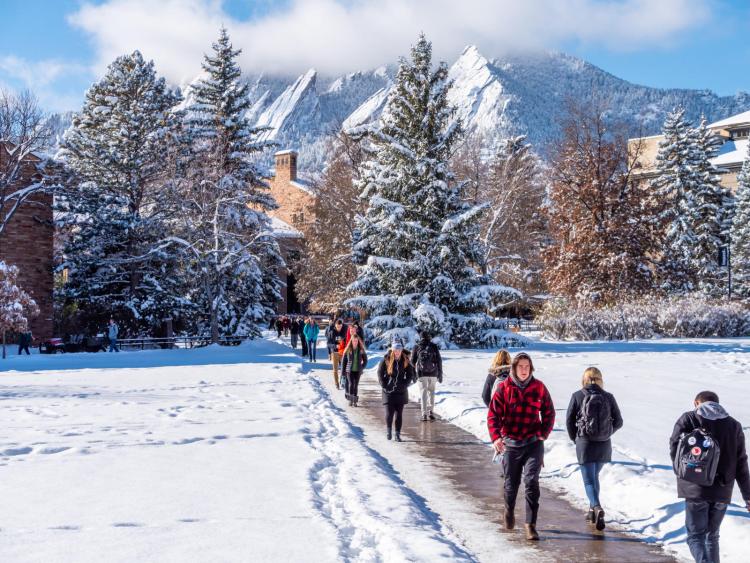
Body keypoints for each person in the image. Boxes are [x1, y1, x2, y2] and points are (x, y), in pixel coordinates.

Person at [669, 391, 750, 563]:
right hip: (723, 489)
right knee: (712, 536)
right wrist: (748, 496)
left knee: (695, 537)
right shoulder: (734, 425)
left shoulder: (689, 419)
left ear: (696, 402)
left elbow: (674, 445)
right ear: (717, 404)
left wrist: (681, 473)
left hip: (695, 487)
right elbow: (742, 463)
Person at [487, 352, 555, 541]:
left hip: (533, 442)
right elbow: (493, 416)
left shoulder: (539, 387)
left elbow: (549, 412)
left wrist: (543, 433)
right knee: (511, 484)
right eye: (521, 367)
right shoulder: (504, 388)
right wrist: (496, 438)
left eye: (527, 367)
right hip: (511, 444)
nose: (524, 370)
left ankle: (530, 525)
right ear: (514, 368)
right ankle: (508, 510)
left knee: (532, 482)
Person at [565, 367, 623, 531]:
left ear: (584, 379)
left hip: (585, 443)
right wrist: (607, 433)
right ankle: (592, 511)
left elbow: (569, 421)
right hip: (604, 444)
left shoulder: (577, 395)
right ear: (600, 379)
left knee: (589, 480)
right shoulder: (608, 397)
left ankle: (597, 507)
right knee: (594, 476)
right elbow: (619, 422)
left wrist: (575, 438)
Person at [377, 337, 415, 442]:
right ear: (393, 350)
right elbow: (380, 373)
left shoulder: (405, 360)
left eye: (399, 349)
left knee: (399, 414)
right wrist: (384, 385)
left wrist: (405, 384)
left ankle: (397, 434)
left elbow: (410, 374)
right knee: (389, 413)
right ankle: (389, 430)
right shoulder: (386, 359)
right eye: (395, 349)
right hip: (388, 391)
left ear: (401, 349)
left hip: (400, 391)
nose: (397, 352)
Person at [411, 331, 443, 422]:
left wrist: (413, 374)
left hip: (421, 374)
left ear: (420, 338)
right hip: (433, 373)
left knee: (423, 392)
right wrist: (440, 374)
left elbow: (412, 362)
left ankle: (424, 414)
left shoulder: (417, 347)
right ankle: (431, 412)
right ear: (429, 337)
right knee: (431, 392)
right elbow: (439, 360)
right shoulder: (434, 346)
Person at [341, 332, 367, 406]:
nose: (355, 342)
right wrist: (343, 372)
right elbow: (344, 361)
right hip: (349, 370)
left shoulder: (361, 350)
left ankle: (355, 401)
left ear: (358, 341)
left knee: (356, 385)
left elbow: (365, 360)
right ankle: (350, 400)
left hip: (358, 371)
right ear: (351, 341)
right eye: (353, 341)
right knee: (351, 384)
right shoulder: (348, 350)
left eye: (356, 341)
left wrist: (362, 367)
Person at [326, 318, 347, 389]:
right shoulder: (332, 332)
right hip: (335, 352)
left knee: (344, 368)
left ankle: (343, 381)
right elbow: (328, 344)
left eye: (340, 327)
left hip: (343, 352)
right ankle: (336, 384)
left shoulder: (344, 331)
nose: (339, 328)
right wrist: (335, 346)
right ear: (335, 325)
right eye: (338, 327)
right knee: (335, 370)